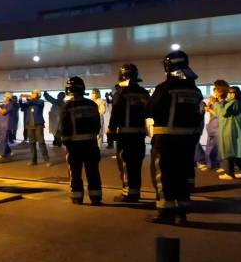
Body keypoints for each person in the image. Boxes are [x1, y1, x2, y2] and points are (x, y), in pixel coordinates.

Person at [147, 51, 204, 224]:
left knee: (163, 176)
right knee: (182, 175)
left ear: (168, 66)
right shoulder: (195, 90)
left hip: (165, 140)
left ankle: (165, 211)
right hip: (187, 141)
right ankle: (182, 214)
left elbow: (150, 110)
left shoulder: (164, 88)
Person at [108, 64, 149, 202]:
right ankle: (136, 192)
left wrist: (111, 130)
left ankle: (128, 194)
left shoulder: (120, 93)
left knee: (126, 165)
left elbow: (115, 113)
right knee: (136, 165)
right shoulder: (143, 92)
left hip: (125, 135)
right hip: (140, 134)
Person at [60, 77, 102, 205]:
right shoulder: (92, 105)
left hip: (74, 146)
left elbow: (65, 128)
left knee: (75, 172)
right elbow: (97, 126)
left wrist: (66, 143)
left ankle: (77, 197)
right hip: (91, 144)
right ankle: (96, 197)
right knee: (93, 171)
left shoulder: (68, 106)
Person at [210, 85, 241, 180]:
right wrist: (214, 106)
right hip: (226, 129)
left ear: (235, 94)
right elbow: (219, 113)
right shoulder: (230, 102)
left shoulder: (235, 102)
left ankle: (229, 173)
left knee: (229, 151)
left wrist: (216, 103)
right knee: (233, 153)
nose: (228, 94)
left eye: (231, 92)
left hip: (230, 130)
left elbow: (223, 113)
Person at [19, 89, 50, 166]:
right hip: (30, 125)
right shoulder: (29, 102)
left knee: (41, 142)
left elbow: (37, 102)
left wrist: (30, 97)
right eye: (32, 93)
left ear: (38, 94)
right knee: (31, 143)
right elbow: (22, 105)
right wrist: (20, 99)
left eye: (34, 93)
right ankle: (33, 160)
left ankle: (47, 160)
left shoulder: (40, 101)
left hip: (38, 124)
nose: (32, 94)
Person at [0, 92, 16, 160]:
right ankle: (9, 151)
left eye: (5, 96)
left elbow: (3, 112)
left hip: (6, 125)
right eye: (4, 96)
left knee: (3, 139)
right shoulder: (2, 105)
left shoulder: (10, 105)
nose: (4, 97)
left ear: (8, 98)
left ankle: (3, 154)